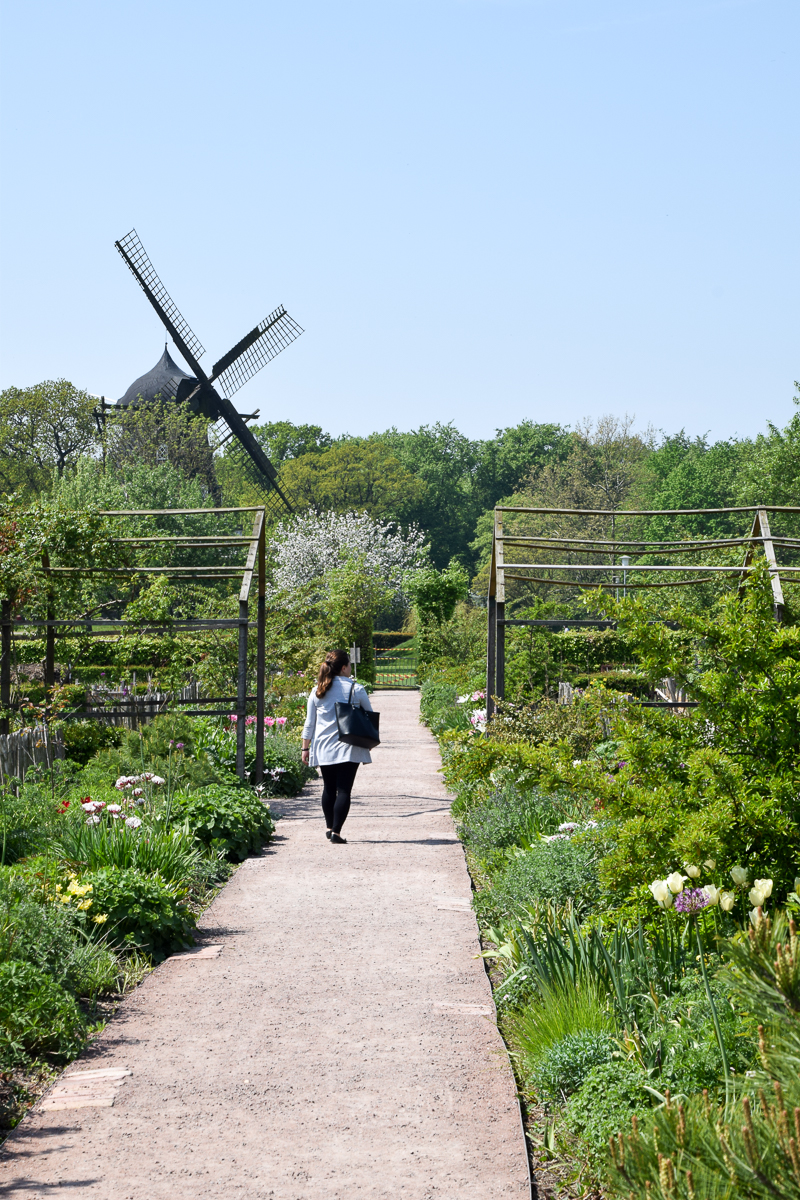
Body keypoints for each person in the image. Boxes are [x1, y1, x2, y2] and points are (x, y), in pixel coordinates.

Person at [301, 649, 375, 844]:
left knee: (328, 788)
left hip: (324, 746)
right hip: (349, 746)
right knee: (344, 790)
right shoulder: (355, 689)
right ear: (343, 668)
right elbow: (369, 715)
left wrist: (305, 748)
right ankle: (336, 832)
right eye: (349, 665)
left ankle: (328, 826)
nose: (350, 668)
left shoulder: (318, 690)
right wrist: (369, 741)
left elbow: (309, 723)